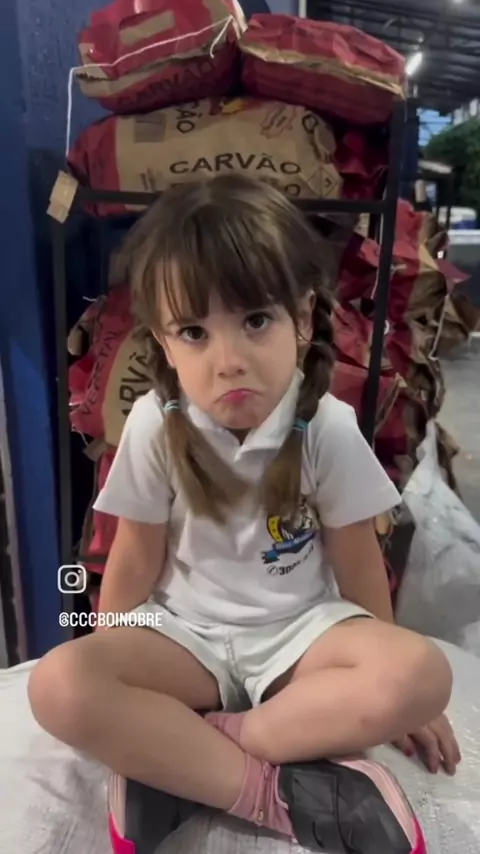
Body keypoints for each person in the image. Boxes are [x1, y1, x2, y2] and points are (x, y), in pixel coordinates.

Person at [28, 174, 460, 854]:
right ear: (165, 344)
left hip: (301, 639)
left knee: (423, 675)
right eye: (194, 332)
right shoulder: (154, 423)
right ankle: (266, 790)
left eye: (256, 321)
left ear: (303, 318)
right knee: (59, 683)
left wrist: (404, 700)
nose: (228, 361)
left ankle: (188, 757)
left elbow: (357, 560)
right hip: (185, 641)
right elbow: (133, 556)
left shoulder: (326, 425)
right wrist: (113, 658)